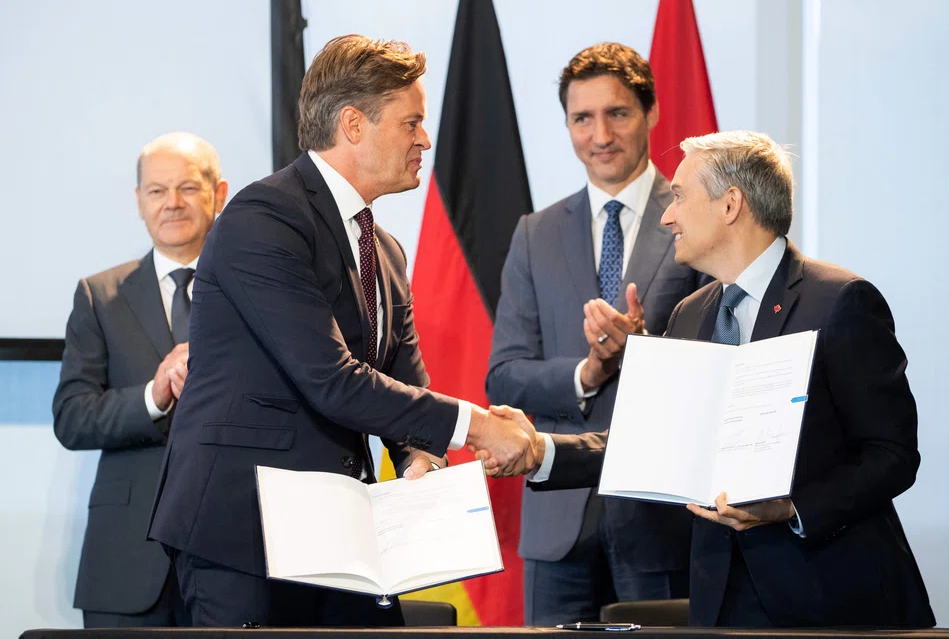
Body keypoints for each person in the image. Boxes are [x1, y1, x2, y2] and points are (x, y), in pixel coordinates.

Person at [146, 34, 536, 628]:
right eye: (411, 123)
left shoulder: (385, 250)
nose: (425, 140)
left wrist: (421, 459)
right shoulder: (265, 217)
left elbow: (405, 381)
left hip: (342, 534)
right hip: (242, 533)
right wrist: (478, 426)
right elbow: (333, 381)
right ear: (354, 124)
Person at [480, 131, 935, 628]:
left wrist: (791, 508)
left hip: (832, 600)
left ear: (730, 203)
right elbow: (650, 442)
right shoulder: (689, 315)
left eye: (678, 196)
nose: (667, 215)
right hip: (723, 601)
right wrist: (541, 450)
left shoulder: (841, 300)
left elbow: (891, 453)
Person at [485, 42, 707, 626]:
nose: (600, 134)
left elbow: (723, 359)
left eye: (618, 113)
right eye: (582, 118)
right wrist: (588, 372)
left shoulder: (696, 216)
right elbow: (504, 373)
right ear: (566, 126)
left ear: (651, 113)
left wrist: (639, 351)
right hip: (557, 522)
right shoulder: (534, 234)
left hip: (661, 515)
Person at [53, 132, 227, 628]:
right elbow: (71, 418)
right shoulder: (99, 295)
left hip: (235, 557)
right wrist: (153, 396)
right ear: (139, 201)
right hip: (126, 564)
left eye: (188, 188)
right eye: (156, 190)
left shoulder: (254, 287)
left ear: (219, 192)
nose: (171, 203)